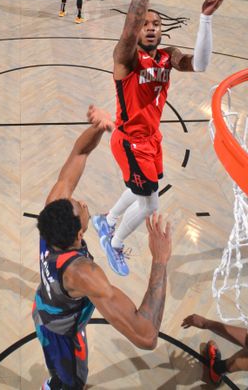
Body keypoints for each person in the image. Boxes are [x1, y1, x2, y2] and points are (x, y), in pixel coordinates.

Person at [92, 0, 232, 276]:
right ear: (136, 30)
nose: (151, 27)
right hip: (129, 140)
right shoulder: (125, 59)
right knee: (150, 202)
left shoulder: (167, 55)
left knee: (142, 187)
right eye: (145, 24)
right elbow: (129, 27)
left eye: (156, 23)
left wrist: (206, 18)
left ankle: (106, 220)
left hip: (151, 138)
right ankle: (112, 244)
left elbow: (199, 64)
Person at [33, 105, 173, 390]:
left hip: (47, 306)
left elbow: (79, 153)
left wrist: (99, 127)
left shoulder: (53, 214)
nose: (82, 203)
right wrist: (160, 259)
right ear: (79, 231)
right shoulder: (84, 274)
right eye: (80, 208)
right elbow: (146, 336)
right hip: (61, 332)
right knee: (71, 381)